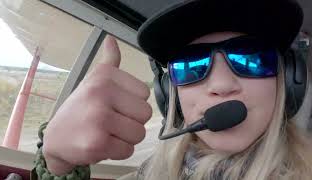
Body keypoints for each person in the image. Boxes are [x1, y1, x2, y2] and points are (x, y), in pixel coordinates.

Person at [31, 0, 312, 179]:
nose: (222, 85)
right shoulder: (148, 173)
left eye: (251, 58)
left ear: (287, 79)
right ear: (170, 93)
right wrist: (57, 164)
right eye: (191, 64)